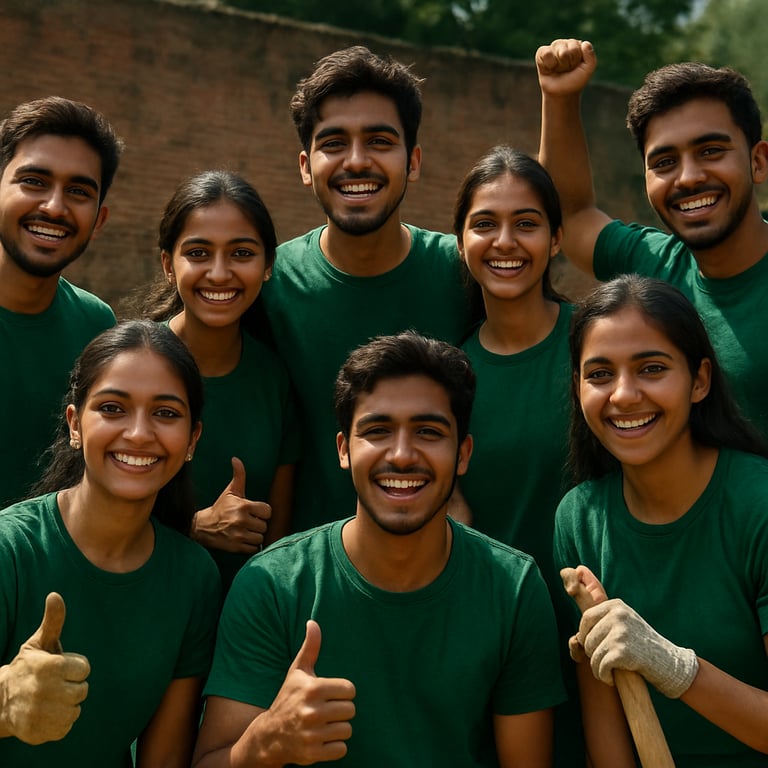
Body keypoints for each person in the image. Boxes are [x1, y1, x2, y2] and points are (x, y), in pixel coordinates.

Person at [192, 331, 565, 768]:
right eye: (378, 430)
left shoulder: (513, 588)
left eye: (428, 431)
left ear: (463, 454)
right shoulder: (272, 584)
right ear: (343, 449)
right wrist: (266, 742)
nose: (402, 455)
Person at [256, 46, 476, 532]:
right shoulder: (267, 284)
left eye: (379, 141)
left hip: (442, 564)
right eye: (333, 142)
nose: (356, 162)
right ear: (305, 165)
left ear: (413, 161)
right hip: (304, 574)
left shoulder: (465, 273)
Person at [554, 275, 768, 766]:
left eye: (651, 368)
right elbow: (606, 731)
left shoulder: (758, 506)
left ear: (699, 381)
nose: (625, 395)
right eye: (600, 374)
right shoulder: (579, 519)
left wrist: (673, 667)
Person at [0, 320, 221, 767]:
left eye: (165, 413)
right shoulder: (11, 550)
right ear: (75, 424)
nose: (139, 433)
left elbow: (163, 758)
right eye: (113, 408)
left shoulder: (194, 578)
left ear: (192, 439)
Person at [536, 39, 768, 438]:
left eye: (711, 151)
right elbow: (570, 218)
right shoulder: (653, 268)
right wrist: (559, 98)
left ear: (758, 161)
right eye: (664, 162)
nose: (689, 177)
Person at [142, 170, 300, 590]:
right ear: (167, 265)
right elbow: (89, 509)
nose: (218, 273)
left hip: (241, 620)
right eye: (197, 252)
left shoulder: (274, 377)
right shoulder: (129, 363)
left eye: (241, 253)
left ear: (267, 266)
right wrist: (195, 526)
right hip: (139, 601)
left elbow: (277, 543)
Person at [0, 96, 122, 508]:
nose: (54, 207)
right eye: (34, 181)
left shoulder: (96, 325)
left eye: (78, 191)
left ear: (99, 220)